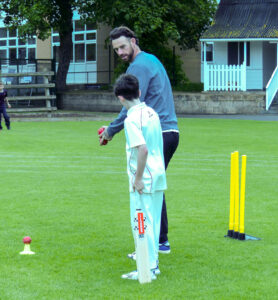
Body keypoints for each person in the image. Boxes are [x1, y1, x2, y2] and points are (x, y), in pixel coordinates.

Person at [99, 26, 179, 255]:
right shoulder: (152, 60)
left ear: (133, 41)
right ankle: (161, 241)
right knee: (155, 187)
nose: (120, 52)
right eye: (116, 49)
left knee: (143, 188)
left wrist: (110, 131)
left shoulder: (139, 66)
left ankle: (149, 245)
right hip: (169, 132)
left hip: (158, 133)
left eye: (123, 46)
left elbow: (130, 107)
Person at [114, 73, 166, 280]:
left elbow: (142, 149)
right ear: (139, 92)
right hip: (158, 173)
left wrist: (137, 178)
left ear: (121, 98)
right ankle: (153, 265)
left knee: (141, 222)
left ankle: (148, 269)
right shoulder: (152, 112)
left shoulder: (131, 119)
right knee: (152, 221)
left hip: (144, 177)